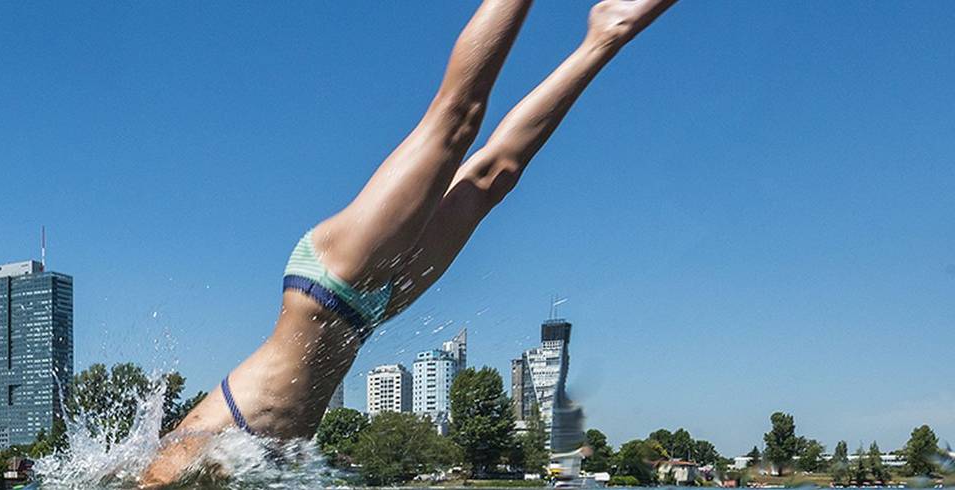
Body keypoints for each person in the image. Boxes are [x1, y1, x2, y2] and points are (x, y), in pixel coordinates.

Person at [140, 0, 676, 485]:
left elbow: (164, 469)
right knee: (494, 179)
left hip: (329, 283)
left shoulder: (165, 473)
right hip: (368, 313)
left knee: (455, 120)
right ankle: (608, 33)